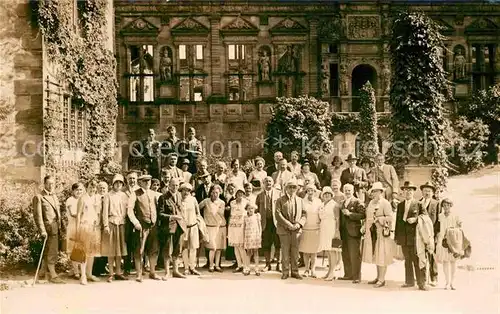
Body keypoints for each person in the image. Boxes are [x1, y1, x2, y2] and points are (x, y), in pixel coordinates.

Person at [127, 174, 161, 282]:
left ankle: (152, 272)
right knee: (139, 250)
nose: (147, 183)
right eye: (145, 181)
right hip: (141, 225)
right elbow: (130, 210)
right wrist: (135, 222)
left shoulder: (153, 193)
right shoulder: (135, 194)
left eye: (149, 181)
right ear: (140, 182)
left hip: (153, 225)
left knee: (153, 249)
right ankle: (139, 274)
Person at [32, 175, 65, 284]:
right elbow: (38, 216)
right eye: (49, 184)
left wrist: (62, 226)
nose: (51, 186)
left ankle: (42, 272)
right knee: (51, 251)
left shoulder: (54, 196)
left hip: (56, 228)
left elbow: (58, 214)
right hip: (48, 229)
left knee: (49, 250)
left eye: (53, 183)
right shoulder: (39, 197)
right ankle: (53, 275)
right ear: (44, 184)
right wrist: (42, 230)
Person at [395, 181, 426, 290]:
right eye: (406, 190)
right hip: (404, 237)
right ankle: (409, 281)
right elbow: (398, 222)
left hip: (415, 237)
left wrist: (416, 219)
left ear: (413, 192)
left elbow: (425, 219)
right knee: (407, 260)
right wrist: (397, 237)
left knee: (417, 260)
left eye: (410, 190)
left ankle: (421, 283)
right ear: (403, 192)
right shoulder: (400, 205)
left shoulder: (419, 204)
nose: (408, 192)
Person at [363, 182, 394, 288]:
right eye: (373, 191)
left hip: (382, 232)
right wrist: (366, 226)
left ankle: (382, 279)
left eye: (377, 191)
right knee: (376, 254)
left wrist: (379, 219)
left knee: (382, 255)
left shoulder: (385, 203)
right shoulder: (371, 203)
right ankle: (378, 276)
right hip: (372, 232)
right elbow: (368, 216)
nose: (375, 193)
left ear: (381, 192)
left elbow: (390, 218)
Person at [276, 179, 306, 280]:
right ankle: (285, 271)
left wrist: (299, 224)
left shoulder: (300, 200)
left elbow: (304, 214)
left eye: (294, 187)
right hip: (284, 230)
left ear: (297, 189)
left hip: (296, 230)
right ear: (286, 189)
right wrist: (288, 224)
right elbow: (278, 214)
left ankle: (295, 271)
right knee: (285, 251)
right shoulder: (280, 200)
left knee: (295, 252)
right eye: (290, 187)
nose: (292, 189)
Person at [156, 178, 186, 280]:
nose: (175, 187)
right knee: (167, 249)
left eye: (177, 185)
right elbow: (159, 214)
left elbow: (181, 209)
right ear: (168, 185)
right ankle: (167, 272)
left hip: (179, 226)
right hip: (168, 227)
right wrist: (172, 217)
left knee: (177, 249)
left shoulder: (179, 195)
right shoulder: (163, 197)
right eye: (173, 185)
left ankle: (175, 271)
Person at [101, 174, 129, 282]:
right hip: (111, 223)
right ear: (113, 184)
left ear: (122, 184)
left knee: (119, 250)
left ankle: (118, 272)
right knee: (111, 250)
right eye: (116, 182)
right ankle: (111, 273)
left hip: (121, 223)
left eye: (120, 183)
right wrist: (106, 225)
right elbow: (104, 212)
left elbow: (127, 210)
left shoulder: (124, 195)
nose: (118, 185)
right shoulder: (108, 196)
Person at [338, 183, 366, 284]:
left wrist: (350, 214)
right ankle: (348, 274)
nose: (347, 192)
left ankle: (357, 276)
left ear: (353, 191)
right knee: (345, 253)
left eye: (349, 190)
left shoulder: (357, 202)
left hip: (354, 231)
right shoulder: (342, 202)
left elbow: (363, 215)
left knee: (354, 254)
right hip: (344, 231)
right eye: (345, 190)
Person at [255, 176, 281, 272]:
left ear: (273, 182)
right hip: (265, 223)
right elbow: (256, 210)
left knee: (278, 243)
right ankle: (267, 264)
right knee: (266, 244)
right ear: (263, 183)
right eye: (266, 181)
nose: (268, 183)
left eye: (270, 181)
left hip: (276, 222)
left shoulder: (279, 194)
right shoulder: (259, 196)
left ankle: (279, 264)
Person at [435, 198, 462, 290]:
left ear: (451, 206)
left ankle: (452, 282)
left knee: (453, 261)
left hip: (453, 240)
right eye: (444, 205)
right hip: (443, 241)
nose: (446, 207)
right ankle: (447, 282)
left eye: (448, 205)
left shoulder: (455, 216)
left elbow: (459, 227)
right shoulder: (440, 216)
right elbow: (438, 228)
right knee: (445, 261)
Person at [199, 185, 226, 272]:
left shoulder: (222, 202)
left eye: (217, 193)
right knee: (212, 247)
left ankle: (217, 265)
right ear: (210, 192)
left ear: (220, 193)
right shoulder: (206, 201)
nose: (215, 194)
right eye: (213, 192)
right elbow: (197, 208)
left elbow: (221, 213)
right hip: (209, 227)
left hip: (219, 227)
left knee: (218, 248)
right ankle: (211, 265)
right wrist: (200, 219)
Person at [178, 182, 202, 276]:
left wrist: (197, 223)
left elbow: (198, 213)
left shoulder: (193, 199)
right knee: (184, 248)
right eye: (184, 190)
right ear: (181, 191)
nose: (186, 192)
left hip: (193, 226)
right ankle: (186, 268)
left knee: (193, 247)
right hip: (183, 227)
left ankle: (192, 267)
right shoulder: (178, 199)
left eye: (188, 190)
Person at [299, 184, 323, 278]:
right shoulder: (302, 201)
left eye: (312, 190)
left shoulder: (319, 201)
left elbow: (321, 214)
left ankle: (313, 270)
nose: (310, 192)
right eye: (308, 190)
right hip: (305, 228)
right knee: (305, 251)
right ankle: (306, 269)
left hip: (315, 228)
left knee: (314, 252)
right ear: (306, 191)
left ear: (315, 191)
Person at [419, 181, 440, 286]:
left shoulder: (436, 204)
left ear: (432, 193)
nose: (427, 193)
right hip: (421, 234)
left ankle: (434, 278)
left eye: (429, 191)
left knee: (432, 255)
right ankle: (422, 278)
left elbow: (439, 220)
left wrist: (437, 234)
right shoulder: (418, 203)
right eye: (425, 190)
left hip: (432, 234)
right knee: (421, 255)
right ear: (422, 192)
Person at [318, 186, 341, 281]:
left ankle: (332, 273)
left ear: (332, 195)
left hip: (331, 227)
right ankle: (329, 272)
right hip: (324, 228)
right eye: (325, 193)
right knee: (327, 250)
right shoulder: (322, 204)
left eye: (328, 193)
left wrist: (337, 231)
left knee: (332, 250)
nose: (327, 195)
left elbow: (337, 219)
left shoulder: (334, 205)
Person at [123, 171, 140, 276]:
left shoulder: (140, 191)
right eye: (130, 178)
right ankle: (127, 268)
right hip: (127, 221)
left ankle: (139, 267)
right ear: (126, 179)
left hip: (138, 220)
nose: (132, 180)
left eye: (134, 178)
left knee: (139, 243)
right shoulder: (123, 191)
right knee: (128, 244)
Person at [228, 188, 248, 273]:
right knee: (236, 246)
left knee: (241, 247)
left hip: (242, 226)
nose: (239, 195)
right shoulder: (232, 202)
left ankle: (245, 266)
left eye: (241, 194)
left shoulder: (246, 202)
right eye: (238, 194)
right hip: (233, 226)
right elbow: (230, 213)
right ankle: (239, 265)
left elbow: (252, 209)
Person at [244, 203, 262, 276]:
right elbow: (244, 228)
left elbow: (259, 226)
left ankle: (256, 268)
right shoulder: (245, 217)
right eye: (249, 208)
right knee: (248, 252)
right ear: (247, 210)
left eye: (252, 208)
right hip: (248, 236)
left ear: (254, 209)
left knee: (256, 252)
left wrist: (260, 235)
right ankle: (247, 268)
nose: (250, 210)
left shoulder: (257, 216)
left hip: (255, 236)